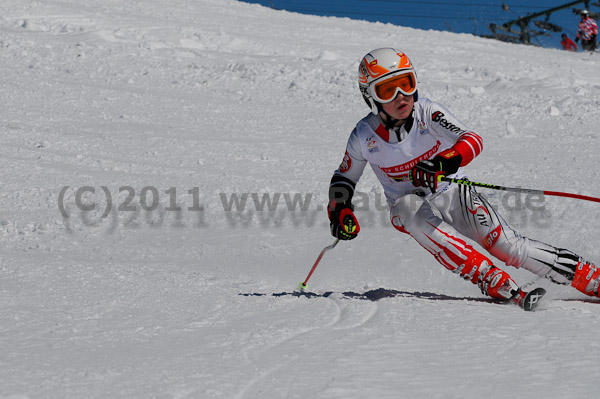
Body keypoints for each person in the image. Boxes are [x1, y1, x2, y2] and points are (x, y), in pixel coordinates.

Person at [327, 48, 600, 301]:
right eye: (387, 90)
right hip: (407, 205)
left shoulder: (428, 113)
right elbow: (344, 177)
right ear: (371, 96)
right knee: (408, 210)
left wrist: (442, 163)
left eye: (406, 84)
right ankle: (487, 276)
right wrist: (339, 210)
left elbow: (472, 139)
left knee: (505, 245)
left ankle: (591, 279)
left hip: (452, 191)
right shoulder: (363, 136)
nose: (401, 96)